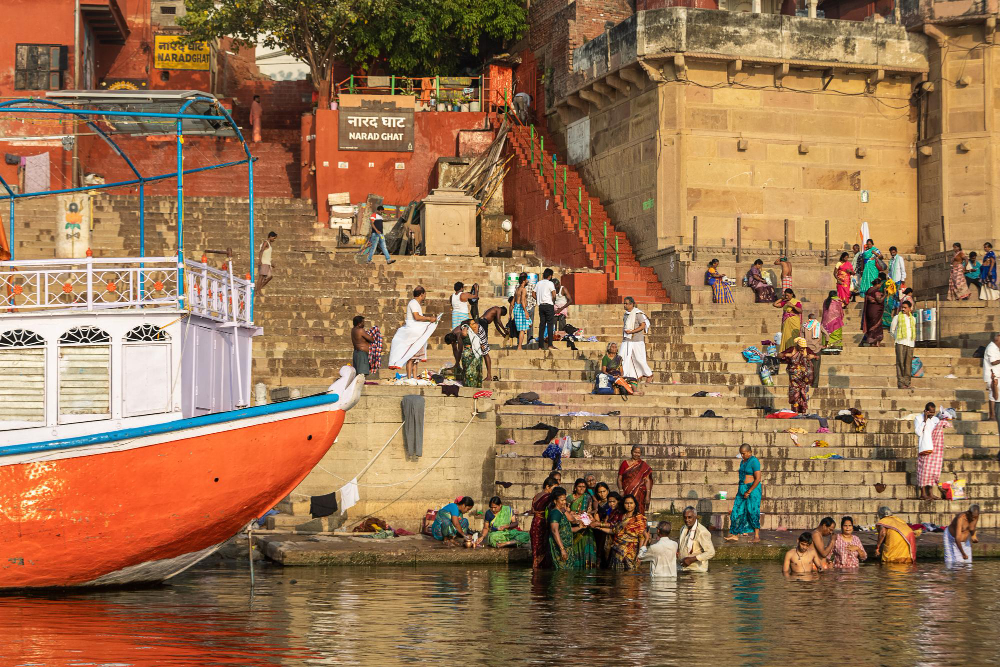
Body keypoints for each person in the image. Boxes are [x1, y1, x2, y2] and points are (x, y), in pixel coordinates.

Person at [387, 286, 439, 378]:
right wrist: (429, 319)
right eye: (424, 294)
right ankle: (409, 378)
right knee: (410, 358)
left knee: (416, 358)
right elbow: (417, 317)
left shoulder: (416, 303)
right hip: (413, 333)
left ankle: (414, 377)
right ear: (421, 294)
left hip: (416, 333)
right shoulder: (413, 303)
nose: (425, 296)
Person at [598, 494, 647, 570]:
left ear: (635, 504)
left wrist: (640, 555)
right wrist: (599, 528)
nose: (629, 505)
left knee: (630, 577)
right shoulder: (622, 516)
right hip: (617, 550)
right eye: (626, 503)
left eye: (631, 503)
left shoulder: (639, 518)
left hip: (630, 551)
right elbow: (614, 531)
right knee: (617, 577)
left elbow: (641, 538)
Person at [724, 444, 762, 543]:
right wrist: (742, 490)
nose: (742, 455)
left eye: (743, 453)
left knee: (752, 511)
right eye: (741, 453)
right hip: (742, 489)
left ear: (750, 452)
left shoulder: (754, 461)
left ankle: (756, 536)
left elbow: (758, 479)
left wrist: (749, 491)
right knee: (736, 511)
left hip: (752, 490)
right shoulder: (742, 461)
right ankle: (735, 534)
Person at [915, 401, 950, 500]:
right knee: (923, 471)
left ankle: (930, 493)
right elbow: (918, 432)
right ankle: (923, 493)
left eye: (933, 412)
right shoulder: (918, 418)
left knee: (933, 472)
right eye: (930, 412)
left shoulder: (935, 419)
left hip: (935, 448)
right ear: (925, 411)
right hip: (924, 447)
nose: (931, 414)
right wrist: (925, 420)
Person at [548, 487, 587, 569]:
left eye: (565, 500)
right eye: (562, 500)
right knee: (562, 572)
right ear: (555, 501)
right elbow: (555, 531)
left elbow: (567, 530)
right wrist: (562, 549)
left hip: (567, 546)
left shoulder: (561, 512)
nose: (564, 502)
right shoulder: (555, 513)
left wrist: (580, 527)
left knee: (567, 572)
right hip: (560, 547)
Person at [566, 478, 599, 568]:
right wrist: (575, 514)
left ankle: (587, 568)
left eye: (584, 487)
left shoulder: (587, 497)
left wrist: (587, 516)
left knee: (586, 546)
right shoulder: (569, 498)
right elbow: (567, 511)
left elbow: (589, 510)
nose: (581, 489)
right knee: (575, 548)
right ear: (575, 487)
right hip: (574, 525)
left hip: (585, 526)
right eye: (579, 486)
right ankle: (576, 567)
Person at [778, 337, 816, 414]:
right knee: (794, 393)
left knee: (803, 393)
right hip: (794, 377)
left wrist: (813, 356)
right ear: (798, 346)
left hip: (804, 377)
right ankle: (795, 411)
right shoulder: (792, 349)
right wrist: (787, 354)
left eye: (803, 348)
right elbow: (779, 355)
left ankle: (803, 411)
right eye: (801, 348)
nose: (802, 349)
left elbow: (817, 357)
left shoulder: (807, 350)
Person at [621, 296, 653, 383]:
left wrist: (632, 332)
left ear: (631, 304)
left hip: (637, 340)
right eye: (624, 303)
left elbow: (642, 326)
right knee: (623, 358)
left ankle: (649, 374)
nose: (625, 305)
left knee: (639, 358)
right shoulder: (626, 314)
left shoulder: (638, 314)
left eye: (626, 303)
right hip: (627, 340)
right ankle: (629, 376)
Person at [530, 477, 557, 569]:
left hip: (534, 522)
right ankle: (539, 569)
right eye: (553, 488)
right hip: (541, 524)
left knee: (536, 546)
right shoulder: (547, 497)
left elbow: (532, 510)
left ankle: (535, 567)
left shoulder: (537, 495)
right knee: (541, 547)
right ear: (547, 486)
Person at [678, 507, 715, 572]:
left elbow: (711, 552)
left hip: (697, 570)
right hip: (683, 568)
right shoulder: (683, 528)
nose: (687, 520)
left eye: (689, 517)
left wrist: (692, 559)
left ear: (696, 517)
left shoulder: (702, 532)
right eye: (685, 517)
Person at [618, 446, 653, 514]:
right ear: (631, 452)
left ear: (641, 453)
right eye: (635, 452)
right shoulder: (625, 463)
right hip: (627, 492)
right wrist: (621, 490)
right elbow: (619, 479)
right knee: (627, 510)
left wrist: (648, 495)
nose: (636, 454)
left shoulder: (644, 465)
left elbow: (647, 480)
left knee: (639, 511)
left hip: (639, 494)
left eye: (638, 453)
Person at [890, 300, 917, 389]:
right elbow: (892, 330)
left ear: (910, 309)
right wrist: (897, 338)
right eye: (902, 307)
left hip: (910, 343)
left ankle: (907, 382)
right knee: (900, 363)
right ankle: (901, 383)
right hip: (900, 342)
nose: (903, 309)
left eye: (905, 307)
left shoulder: (913, 319)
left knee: (908, 364)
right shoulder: (897, 317)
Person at [860, 273, 886, 347]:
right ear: (877, 284)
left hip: (869, 310)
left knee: (871, 325)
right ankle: (876, 342)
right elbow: (880, 300)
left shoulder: (869, 290)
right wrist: (885, 294)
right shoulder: (876, 291)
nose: (880, 285)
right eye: (880, 284)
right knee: (877, 326)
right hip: (875, 312)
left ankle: (871, 342)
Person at [535, 268, 557, 349]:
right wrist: (553, 301)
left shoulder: (538, 283)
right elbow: (554, 295)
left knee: (542, 325)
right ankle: (550, 345)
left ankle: (540, 346)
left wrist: (538, 300)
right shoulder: (550, 283)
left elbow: (534, 294)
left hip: (541, 306)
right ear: (550, 276)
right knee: (550, 325)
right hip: (549, 305)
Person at [459, 319, 485, 388]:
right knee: (469, 372)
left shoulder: (474, 334)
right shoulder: (466, 331)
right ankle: (469, 388)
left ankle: (476, 389)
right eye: (472, 324)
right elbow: (463, 333)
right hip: (469, 354)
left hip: (477, 355)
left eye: (475, 323)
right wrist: (466, 326)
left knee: (477, 372)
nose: (475, 325)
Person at [802, 312, 822, 388]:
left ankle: (806, 383)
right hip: (817, 349)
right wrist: (825, 344)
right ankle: (815, 384)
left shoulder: (804, 326)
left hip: (807, 349)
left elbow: (801, 337)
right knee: (816, 368)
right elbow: (827, 335)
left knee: (806, 367)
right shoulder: (819, 325)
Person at [984, 333, 1000, 426]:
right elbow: (993, 362)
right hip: (991, 375)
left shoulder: (996, 348)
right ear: (997, 340)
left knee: (996, 395)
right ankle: (992, 415)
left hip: (996, 375)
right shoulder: (991, 348)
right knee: (992, 395)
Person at [512, 273, 531, 351]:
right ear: (524, 281)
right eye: (526, 279)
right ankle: (519, 346)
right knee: (522, 330)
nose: (527, 281)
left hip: (517, 309)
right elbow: (523, 301)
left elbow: (512, 302)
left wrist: (511, 312)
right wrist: (526, 311)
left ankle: (519, 345)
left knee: (529, 324)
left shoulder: (517, 289)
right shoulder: (523, 289)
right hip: (521, 309)